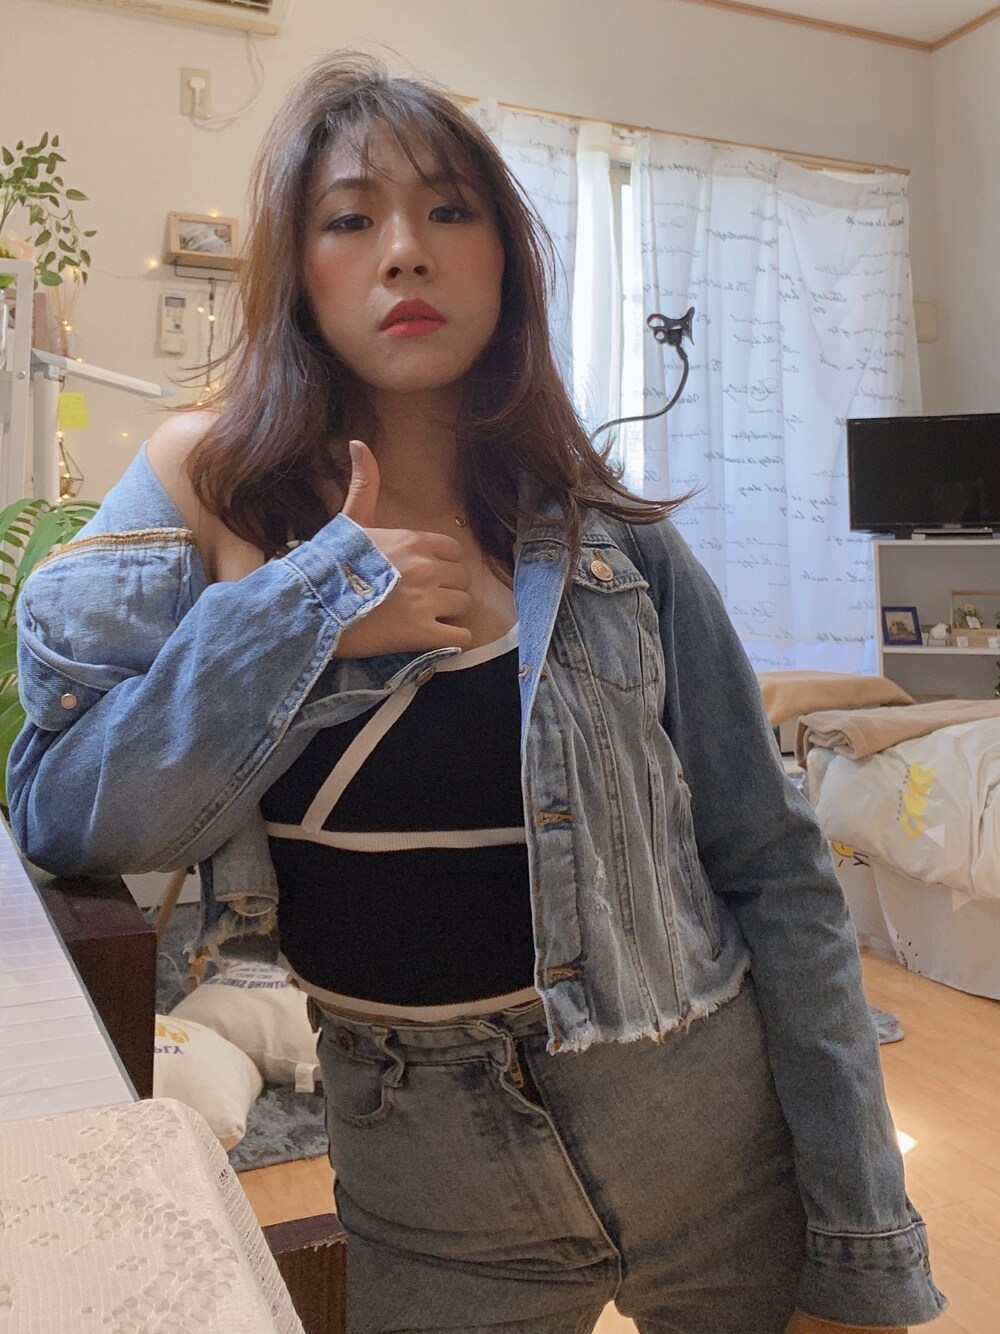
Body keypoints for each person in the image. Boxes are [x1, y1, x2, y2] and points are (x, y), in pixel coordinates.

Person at [7, 52, 946, 1334]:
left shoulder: (615, 537)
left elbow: (778, 874)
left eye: (449, 210)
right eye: (350, 218)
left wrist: (859, 1247)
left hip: (710, 1130)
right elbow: (68, 812)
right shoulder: (206, 481)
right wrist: (313, 609)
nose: (404, 250)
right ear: (297, 268)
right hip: (427, 1176)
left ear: (505, 258)